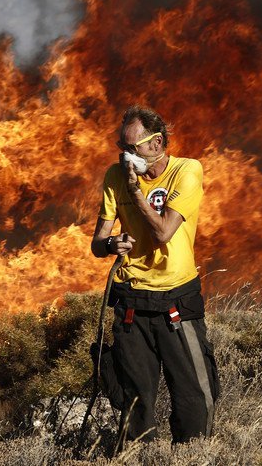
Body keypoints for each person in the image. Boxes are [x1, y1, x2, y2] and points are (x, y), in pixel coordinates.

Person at [90, 105, 219, 444]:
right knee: (134, 405)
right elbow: (98, 243)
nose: (125, 156)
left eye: (132, 148)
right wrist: (111, 244)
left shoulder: (186, 171)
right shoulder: (114, 176)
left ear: (157, 143)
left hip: (176, 302)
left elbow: (163, 232)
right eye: (121, 148)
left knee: (193, 400)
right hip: (131, 304)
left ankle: (192, 458)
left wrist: (136, 191)